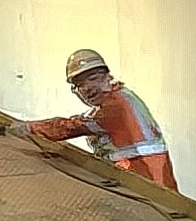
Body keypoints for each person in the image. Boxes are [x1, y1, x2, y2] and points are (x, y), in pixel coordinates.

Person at [22, 46, 174, 190]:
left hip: (146, 178)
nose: (87, 88)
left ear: (108, 77)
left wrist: (29, 128)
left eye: (93, 78)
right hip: (143, 177)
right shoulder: (116, 100)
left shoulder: (116, 106)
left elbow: (72, 127)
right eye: (80, 85)